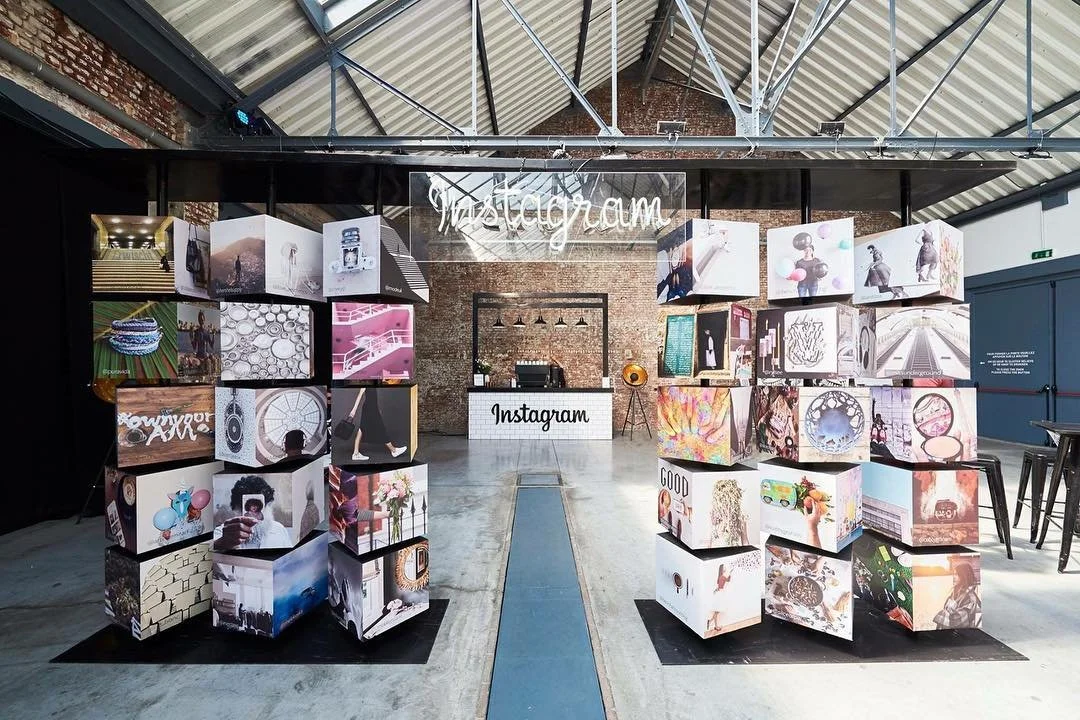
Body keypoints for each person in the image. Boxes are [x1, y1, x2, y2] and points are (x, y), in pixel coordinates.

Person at [214, 475, 292, 550]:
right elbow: (208, 552)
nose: (253, 516)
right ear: (236, 509)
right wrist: (222, 542)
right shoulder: (221, 532)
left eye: (258, 507)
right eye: (248, 507)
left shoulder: (279, 530)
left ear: (268, 506)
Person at [346, 388, 407, 461]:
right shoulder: (366, 381)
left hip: (372, 409)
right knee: (380, 428)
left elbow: (373, 398)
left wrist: (377, 410)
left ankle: (355, 453)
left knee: (361, 429)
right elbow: (360, 395)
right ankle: (394, 450)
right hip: (369, 409)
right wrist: (354, 410)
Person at [933, 562, 981, 629]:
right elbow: (946, 608)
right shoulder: (956, 592)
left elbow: (958, 622)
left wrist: (942, 614)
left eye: (956, 574)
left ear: (963, 575)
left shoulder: (970, 597)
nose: (954, 577)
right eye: (954, 574)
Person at [189, 310, 213, 375]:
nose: (201, 321)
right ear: (198, 320)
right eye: (200, 319)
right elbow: (194, 347)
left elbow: (211, 345)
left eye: (202, 319)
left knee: (209, 366)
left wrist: (213, 335)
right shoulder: (196, 332)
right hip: (199, 356)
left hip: (206, 356)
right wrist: (191, 336)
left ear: (204, 319)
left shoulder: (207, 332)